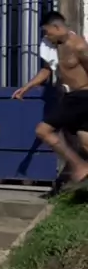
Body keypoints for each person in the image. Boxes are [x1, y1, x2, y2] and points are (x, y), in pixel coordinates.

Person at [33, 11, 88, 184]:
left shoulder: (79, 46)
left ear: (57, 27)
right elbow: (47, 70)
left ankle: (79, 166)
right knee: (85, 143)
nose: (46, 36)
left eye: (47, 31)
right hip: (72, 96)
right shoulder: (54, 47)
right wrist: (26, 88)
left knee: (43, 131)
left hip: (81, 97)